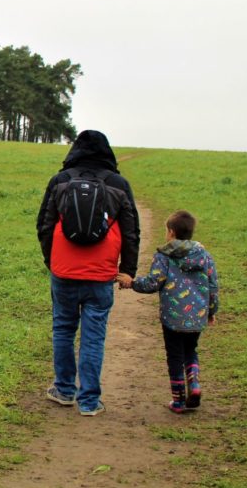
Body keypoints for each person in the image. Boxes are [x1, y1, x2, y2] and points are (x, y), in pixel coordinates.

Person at [36, 130, 140, 416]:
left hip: (64, 270)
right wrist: (127, 269)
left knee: (63, 329)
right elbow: (131, 232)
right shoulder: (118, 184)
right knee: (94, 336)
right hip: (101, 274)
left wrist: (51, 261)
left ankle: (64, 390)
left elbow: (44, 226)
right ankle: (90, 402)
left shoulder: (60, 181)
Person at [116, 210, 218, 413]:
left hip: (172, 317)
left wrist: (131, 282)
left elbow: (153, 282)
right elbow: (213, 286)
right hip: (197, 316)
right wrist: (211, 311)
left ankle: (179, 401)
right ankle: (195, 385)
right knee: (191, 351)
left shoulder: (164, 256)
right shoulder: (204, 256)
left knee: (174, 356)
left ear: (170, 232)